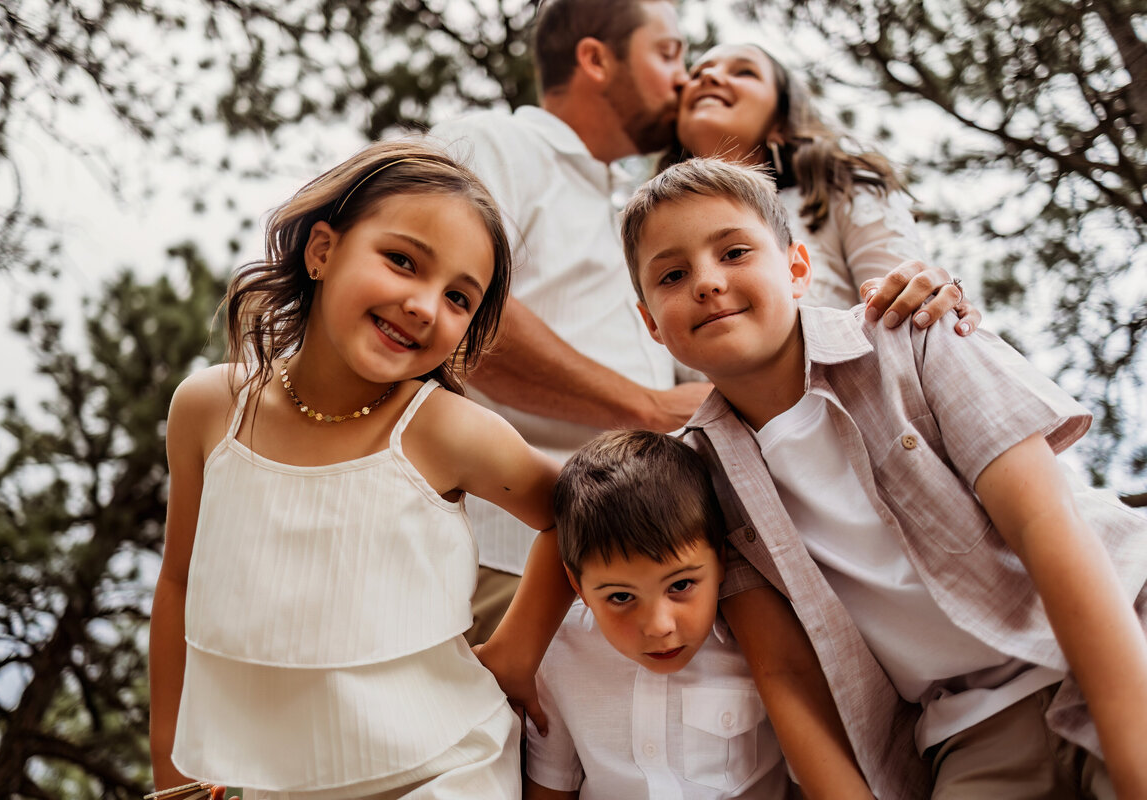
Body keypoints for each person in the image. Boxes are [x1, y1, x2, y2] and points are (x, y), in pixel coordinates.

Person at [429, 0, 974, 646]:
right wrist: (654, 408)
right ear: (597, 60)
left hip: (688, 556)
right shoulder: (496, 145)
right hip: (515, 550)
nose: (688, 79)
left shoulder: (631, 211)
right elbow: (453, 317)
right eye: (671, 55)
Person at [620, 157, 1147, 799]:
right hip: (971, 722)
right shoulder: (698, 475)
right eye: (673, 275)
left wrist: (1131, 751)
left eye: (733, 252)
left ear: (796, 269)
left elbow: (1047, 527)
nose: (706, 282)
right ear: (650, 322)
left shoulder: (911, 334)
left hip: (1115, 627)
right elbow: (784, 671)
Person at [148, 141, 573, 799]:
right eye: (403, 261)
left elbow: (578, 515)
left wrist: (518, 650)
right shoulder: (208, 410)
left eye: (459, 298)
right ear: (322, 250)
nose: (425, 305)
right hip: (276, 783)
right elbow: (178, 585)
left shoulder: (445, 430)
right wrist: (174, 781)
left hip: (444, 770)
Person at [525, 429, 793, 800]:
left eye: (681, 586)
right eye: (621, 596)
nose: (659, 627)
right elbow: (551, 787)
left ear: (720, 559)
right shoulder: (558, 656)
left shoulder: (760, 648)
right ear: (578, 585)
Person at [672, 42, 973, 333]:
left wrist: (935, 301)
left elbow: (907, 317)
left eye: (745, 72)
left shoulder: (843, 192)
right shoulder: (643, 236)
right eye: (696, 74)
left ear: (779, 123)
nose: (709, 77)